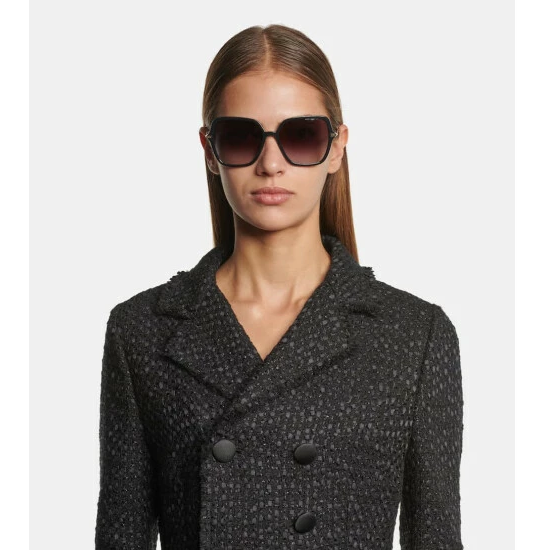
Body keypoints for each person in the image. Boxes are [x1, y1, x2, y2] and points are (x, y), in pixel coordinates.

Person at [95, 24, 464, 550]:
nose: (271, 164)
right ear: (209, 150)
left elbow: (438, 539)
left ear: (336, 148)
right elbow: (120, 536)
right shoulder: (142, 331)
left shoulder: (414, 335)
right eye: (241, 137)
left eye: (301, 136)